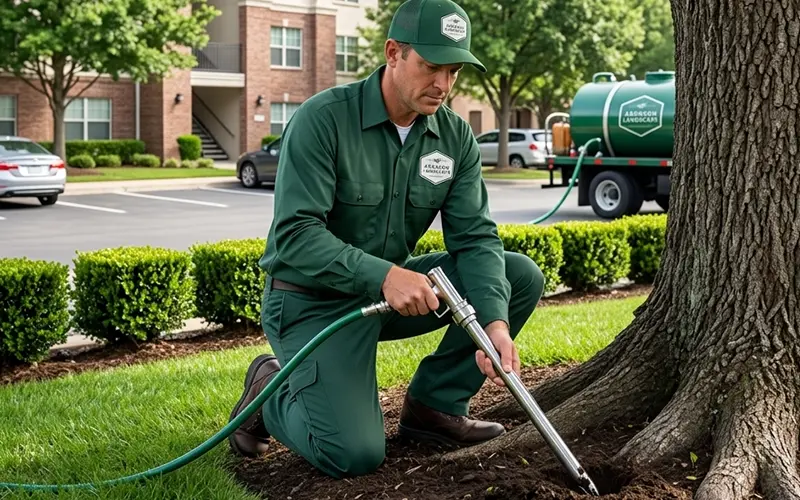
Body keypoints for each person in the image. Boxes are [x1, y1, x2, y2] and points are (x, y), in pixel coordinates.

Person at [227, 0, 545, 479]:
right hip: (310, 305)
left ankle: (434, 409)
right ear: (393, 52)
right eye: (431, 66)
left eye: (454, 70)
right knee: (353, 454)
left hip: (387, 297)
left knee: (516, 275)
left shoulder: (454, 137)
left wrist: (494, 325)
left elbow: (475, 238)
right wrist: (385, 276)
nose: (443, 83)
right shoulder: (323, 120)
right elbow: (295, 236)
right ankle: (269, 387)